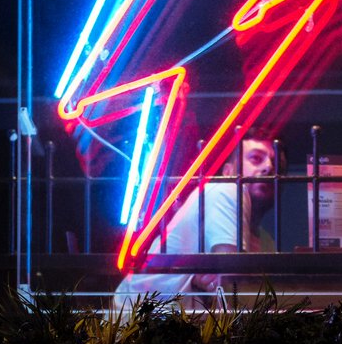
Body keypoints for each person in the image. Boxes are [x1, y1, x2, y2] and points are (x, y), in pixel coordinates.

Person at [114, 128, 282, 309]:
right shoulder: (227, 190)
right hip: (143, 325)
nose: (269, 167)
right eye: (256, 158)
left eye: (276, 164)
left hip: (155, 321)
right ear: (228, 171)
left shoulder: (265, 239)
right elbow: (233, 288)